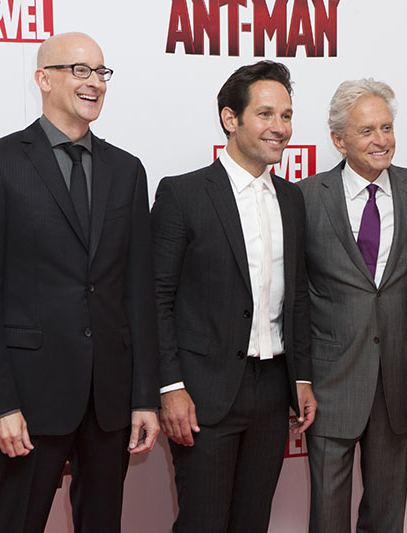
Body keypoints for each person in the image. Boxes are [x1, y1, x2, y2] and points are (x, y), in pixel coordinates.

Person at [0, 32, 160, 532]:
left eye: (101, 72)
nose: (95, 83)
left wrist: (143, 397)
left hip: (108, 400)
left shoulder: (127, 170)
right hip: (28, 399)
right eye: (80, 70)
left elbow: (138, 293)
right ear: (43, 79)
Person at [151, 60, 316, 533]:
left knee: (253, 522)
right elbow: (156, 300)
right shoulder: (183, 194)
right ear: (230, 119)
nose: (280, 127)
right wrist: (170, 388)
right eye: (265, 114)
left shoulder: (292, 198)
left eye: (286, 115)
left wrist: (302, 377)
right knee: (202, 523)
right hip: (203, 393)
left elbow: (297, 296)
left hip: (272, 391)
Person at [297, 78, 407, 533]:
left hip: (399, 379)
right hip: (330, 382)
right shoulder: (305, 197)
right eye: (366, 131)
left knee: (387, 515)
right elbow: (295, 295)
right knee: (327, 516)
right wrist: (300, 376)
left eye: (387, 127)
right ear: (339, 140)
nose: (381, 140)